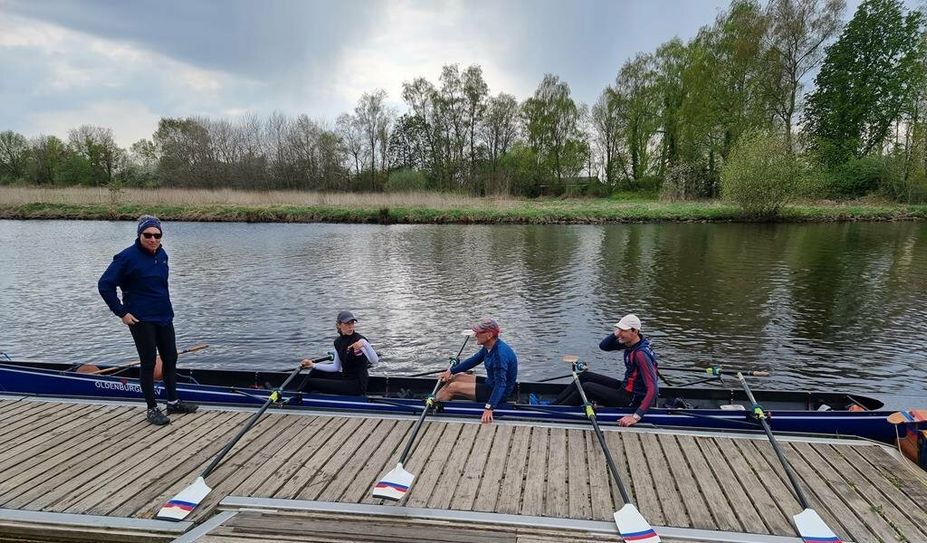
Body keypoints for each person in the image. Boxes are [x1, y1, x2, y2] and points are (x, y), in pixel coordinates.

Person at [98, 215, 198, 426]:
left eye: (157, 235)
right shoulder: (126, 258)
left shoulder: (162, 255)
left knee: (170, 358)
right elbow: (105, 285)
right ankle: (152, 408)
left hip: (164, 316)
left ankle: (173, 401)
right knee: (149, 362)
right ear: (139, 234)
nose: (153, 239)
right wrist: (122, 313)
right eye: (148, 235)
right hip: (140, 319)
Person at [552, 314, 658, 427]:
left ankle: (555, 413)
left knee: (587, 387)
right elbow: (604, 346)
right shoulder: (631, 343)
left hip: (632, 400)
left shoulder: (641, 354)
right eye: (619, 329)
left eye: (623, 330)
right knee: (585, 376)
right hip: (625, 388)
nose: (619, 333)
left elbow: (653, 389)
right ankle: (553, 406)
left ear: (634, 331)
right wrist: (616, 334)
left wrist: (635, 417)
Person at [436, 318, 518, 424]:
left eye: (479, 332)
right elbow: (473, 360)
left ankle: (433, 406)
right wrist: (451, 371)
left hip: (499, 393)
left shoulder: (499, 355)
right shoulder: (489, 346)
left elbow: (501, 384)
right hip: (491, 383)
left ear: (489, 335)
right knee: (457, 377)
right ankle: (435, 399)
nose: (475, 335)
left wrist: (489, 407)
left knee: (453, 387)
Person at [299, 310, 377, 396]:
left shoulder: (360, 340)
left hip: (356, 385)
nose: (350, 326)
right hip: (345, 378)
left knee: (311, 383)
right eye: (347, 324)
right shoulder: (337, 342)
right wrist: (312, 365)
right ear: (339, 325)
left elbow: (375, 361)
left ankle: (295, 398)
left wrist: (365, 344)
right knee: (315, 372)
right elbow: (335, 367)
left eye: (352, 323)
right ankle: (301, 395)